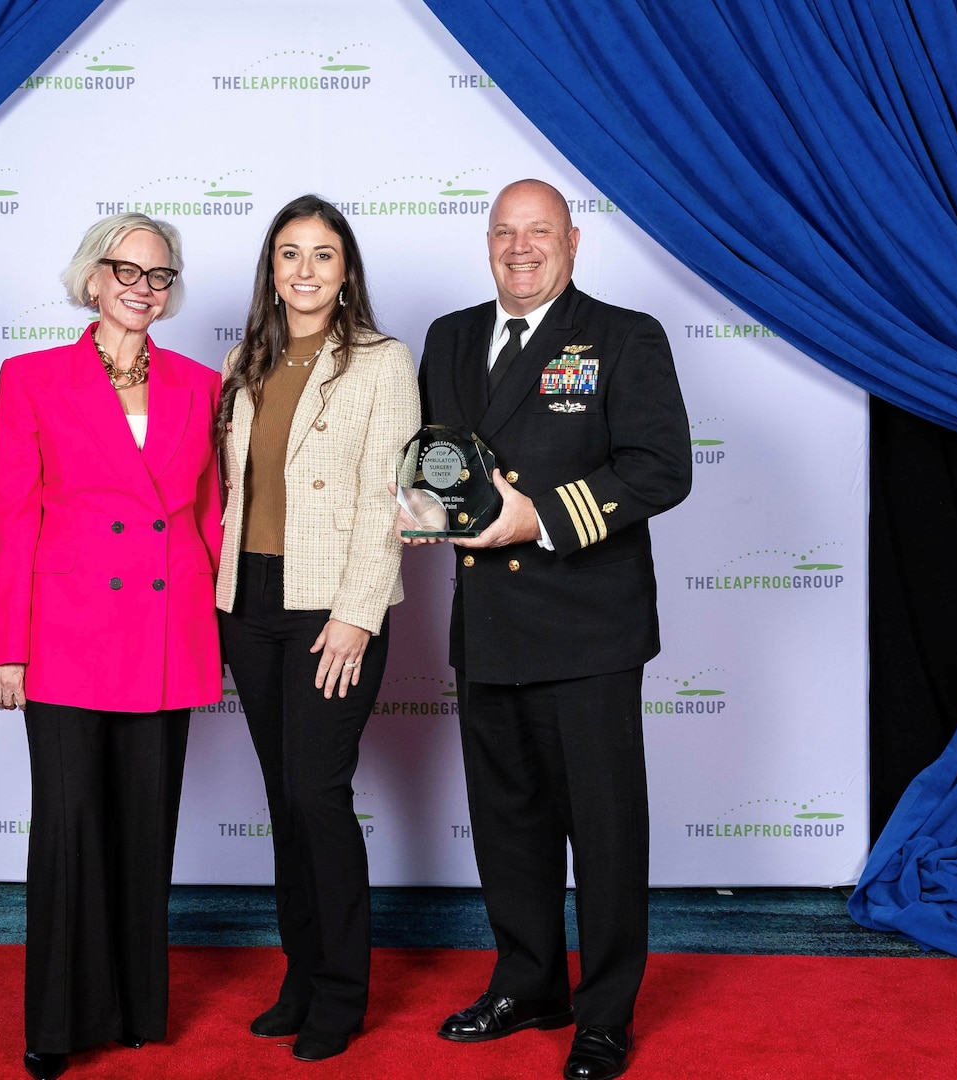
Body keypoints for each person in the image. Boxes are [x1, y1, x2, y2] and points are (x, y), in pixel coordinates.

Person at [405, 179, 691, 1080]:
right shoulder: (449, 335)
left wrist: (543, 519)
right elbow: (440, 461)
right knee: (508, 823)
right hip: (487, 621)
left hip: (586, 627)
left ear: (573, 240)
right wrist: (421, 508)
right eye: (503, 232)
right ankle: (529, 982)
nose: (519, 248)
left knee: (603, 832)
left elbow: (660, 469)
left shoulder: (622, 336)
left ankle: (604, 1012)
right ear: (486, 243)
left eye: (538, 232)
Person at [0, 213, 222, 1080]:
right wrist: (7, 648)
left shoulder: (202, 384)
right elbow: (10, 519)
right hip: (67, 641)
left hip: (167, 636)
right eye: (126, 270)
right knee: (68, 831)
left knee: (144, 831)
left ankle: (132, 1009)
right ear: (91, 278)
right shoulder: (32, 379)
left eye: (159, 276)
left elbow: (210, 518)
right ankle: (54, 1020)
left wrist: (225, 634)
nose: (142, 287)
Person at [216, 195, 420, 1062]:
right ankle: (300, 975)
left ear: (347, 272)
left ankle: (341, 988)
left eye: (323, 255)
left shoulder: (381, 360)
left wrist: (356, 615)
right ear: (272, 269)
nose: (305, 270)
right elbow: (235, 496)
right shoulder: (244, 361)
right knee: (283, 803)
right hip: (249, 602)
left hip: (330, 604)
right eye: (290, 254)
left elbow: (395, 500)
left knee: (317, 796)